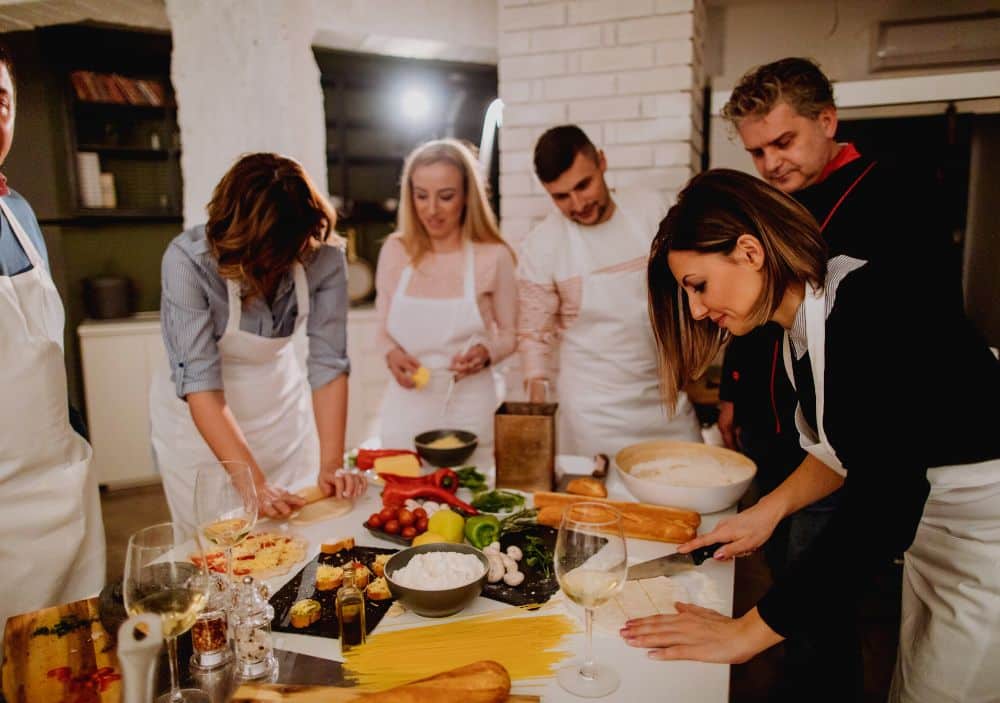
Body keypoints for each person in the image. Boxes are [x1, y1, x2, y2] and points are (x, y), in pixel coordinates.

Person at [626, 169, 1000, 703]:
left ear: (750, 252)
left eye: (698, 286)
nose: (697, 311)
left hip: (988, 542)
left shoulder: (872, 306)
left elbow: (884, 504)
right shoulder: (806, 323)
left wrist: (743, 635)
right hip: (940, 539)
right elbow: (852, 448)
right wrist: (769, 510)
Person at [717, 58, 958, 574]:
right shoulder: (766, 205)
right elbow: (749, 304)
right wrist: (733, 392)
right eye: (757, 151)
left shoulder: (895, 196)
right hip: (771, 422)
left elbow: (926, 328)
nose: (771, 163)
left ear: (826, 121)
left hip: (842, 436)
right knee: (773, 563)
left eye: (784, 142)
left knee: (814, 579)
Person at [150, 153, 365, 537]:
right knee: (219, 548)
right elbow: (201, 384)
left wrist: (332, 462)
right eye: (266, 261)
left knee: (296, 540)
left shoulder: (324, 255)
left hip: (281, 413)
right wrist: (253, 484)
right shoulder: (187, 261)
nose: (275, 273)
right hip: (204, 428)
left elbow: (329, 362)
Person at [0, 45, 105, 638]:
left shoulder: (20, 212)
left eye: (1, 101)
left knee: (70, 652)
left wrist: (73, 433)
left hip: (62, 487)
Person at [517, 125, 700, 458]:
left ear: (601, 162)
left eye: (583, 185)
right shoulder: (541, 246)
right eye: (560, 196)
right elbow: (533, 336)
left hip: (663, 400)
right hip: (591, 415)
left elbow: (690, 287)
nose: (577, 204)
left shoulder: (653, 210)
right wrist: (535, 396)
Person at [375, 139, 517, 451]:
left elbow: (510, 335)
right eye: (421, 196)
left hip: (471, 409)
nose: (432, 210)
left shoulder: (494, 256)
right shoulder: (395, 251)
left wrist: (486, 353)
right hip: (406, 408)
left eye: (446, 197)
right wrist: (391, 354)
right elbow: (382, 329)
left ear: (467, 196)